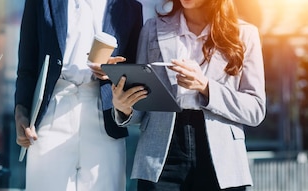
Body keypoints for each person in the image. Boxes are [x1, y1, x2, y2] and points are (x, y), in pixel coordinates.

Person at [111, 0, 265, 190]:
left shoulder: (245, 33)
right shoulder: (152, 28)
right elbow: (142, 106)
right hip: (160, 153)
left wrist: (206, 87)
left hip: (222, 155)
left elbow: (256, 109)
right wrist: (124, 108)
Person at [14, 0, 142, 190]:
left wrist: (113, 72)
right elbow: (27, 65)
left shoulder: (129, 7)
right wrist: (21, 111)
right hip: (53, 107)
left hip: (104, 112)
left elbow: (133, 72)